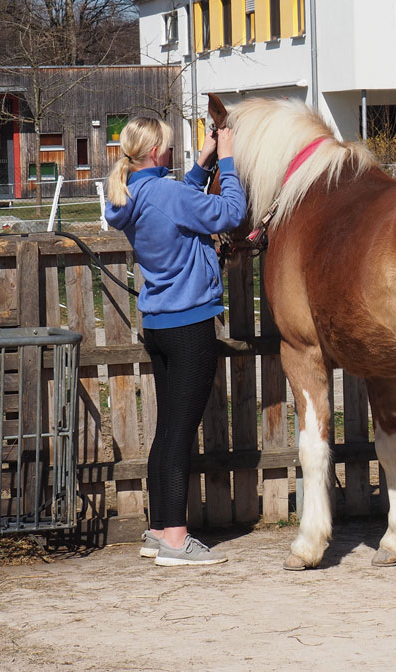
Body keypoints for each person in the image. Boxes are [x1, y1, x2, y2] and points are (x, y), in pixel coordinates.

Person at [105, 115, 246, 566]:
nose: (173, 149)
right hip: (191, 326)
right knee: (181, 435)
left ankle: (159, 529)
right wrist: (226, 160)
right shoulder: (166, 193)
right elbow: (231, 212)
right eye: (169, 144)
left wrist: (203, 162)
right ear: (156, 153)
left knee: (166, 431)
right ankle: (176, 541)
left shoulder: (135, 193)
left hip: (160, 324)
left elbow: (178, 200)